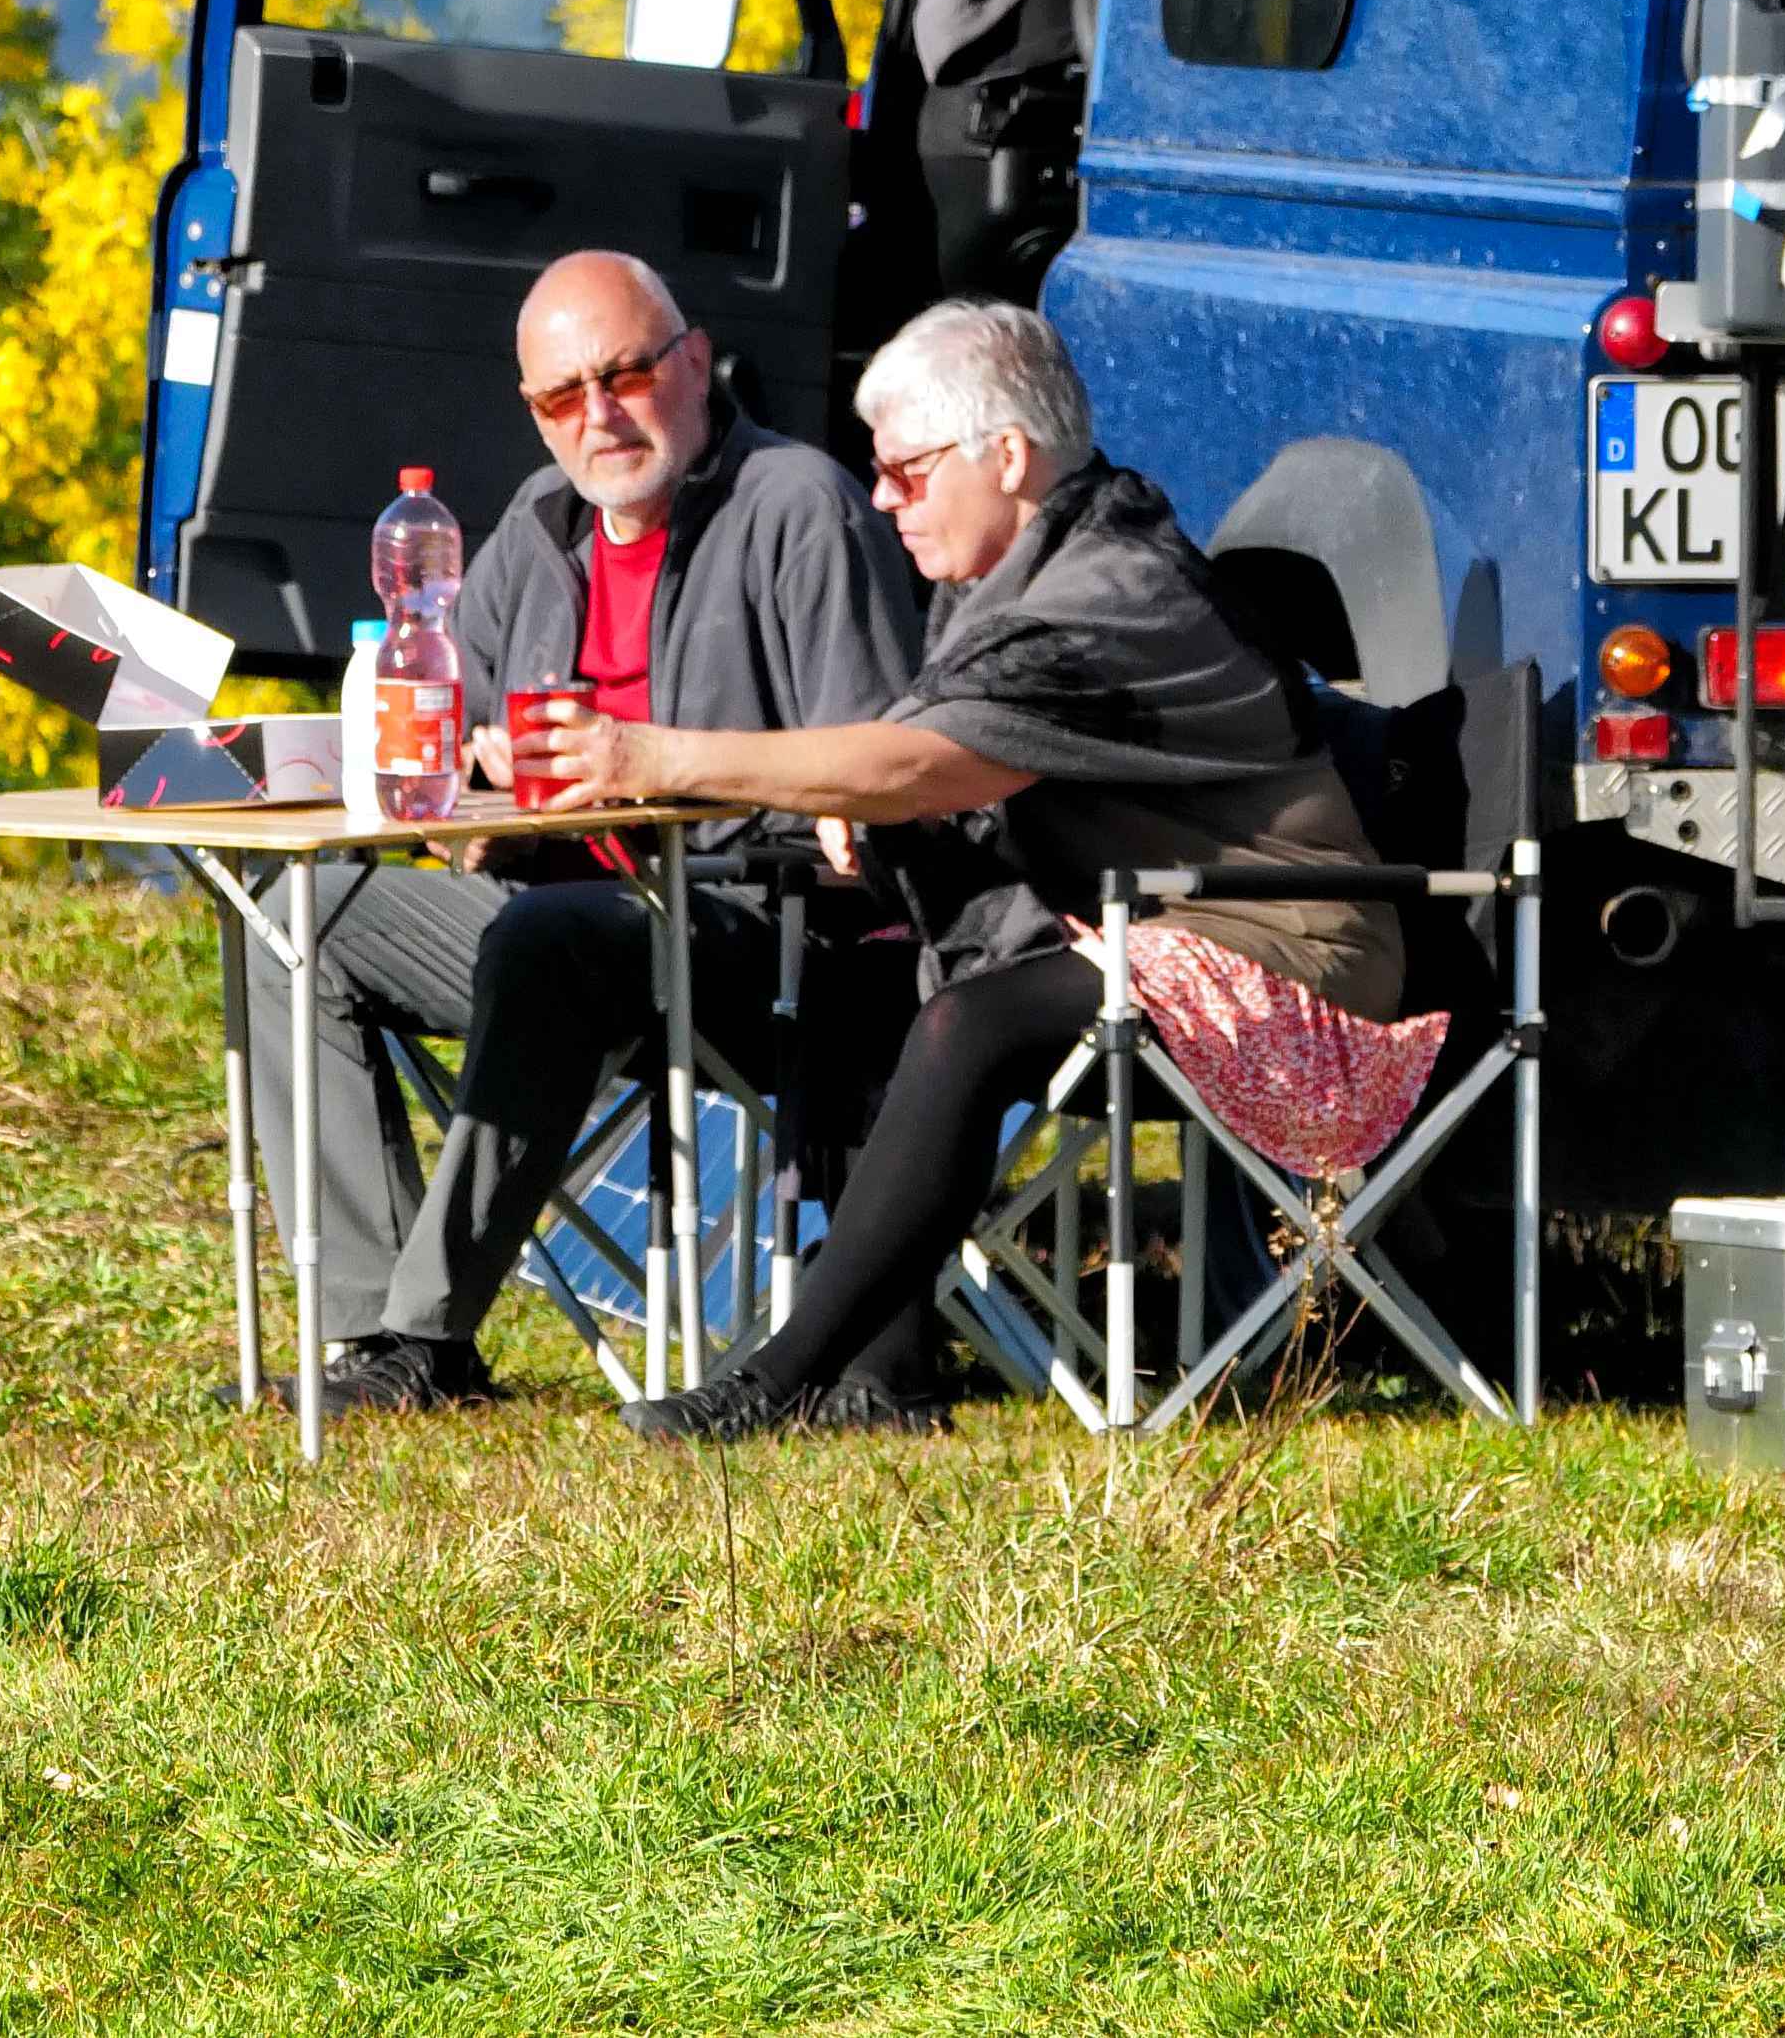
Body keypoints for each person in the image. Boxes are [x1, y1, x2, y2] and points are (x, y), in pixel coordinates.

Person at [512, 295, 1428, 1441]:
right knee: (861, 987)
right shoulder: (1009, 575)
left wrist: (659, 757)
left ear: (1006, 455)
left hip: (1289, 958)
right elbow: (920, 748)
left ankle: (775, 1377)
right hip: (1132, 934)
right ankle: (881, 1380)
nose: (883, 496)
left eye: (903, 469)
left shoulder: (1112, 591)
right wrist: (868, 803)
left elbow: (930, 760)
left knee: (968, 1026)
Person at [277, 246, 927, 1416]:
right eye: (559, 398)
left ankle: (425, 1340)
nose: (598, 417)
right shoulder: (533, 528)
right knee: (303, 919)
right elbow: (454, 737)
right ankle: (367, 1326)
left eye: (621, 377)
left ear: (690, 363)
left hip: (759, 929)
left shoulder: (797, 507)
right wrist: (468, 802)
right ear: (531, 414)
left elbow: (876, 775)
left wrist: (656, 767)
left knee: (550, 940)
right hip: (557, 901)